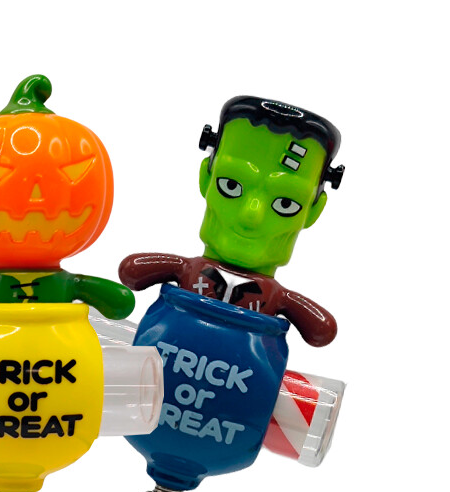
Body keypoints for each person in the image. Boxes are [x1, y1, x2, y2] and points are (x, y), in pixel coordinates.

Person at [119, 96, 344, 347]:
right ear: (206, 178)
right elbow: (131, 271)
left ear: (314, 211)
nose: (251, 215)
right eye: (231, 186)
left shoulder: (273, 297)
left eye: (285, 204)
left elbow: (322, 330)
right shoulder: (189, 271)